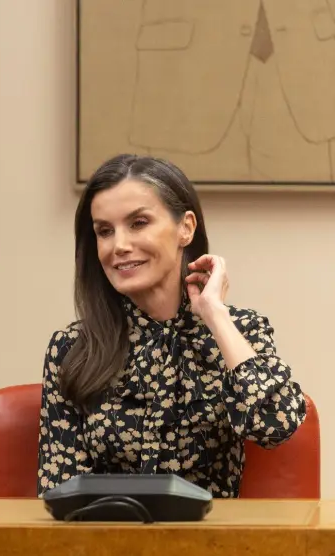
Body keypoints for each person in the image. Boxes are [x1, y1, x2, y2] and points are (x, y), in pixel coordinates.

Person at [37, 154, 305, 498]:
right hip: (106, 544)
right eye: (105, 231)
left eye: (138, 223)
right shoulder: (72, 347)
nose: (118, 245)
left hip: (213, 545)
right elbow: (59, 491)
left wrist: (214, 313)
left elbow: (276, 423)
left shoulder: (241, 330)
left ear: (186, 228)